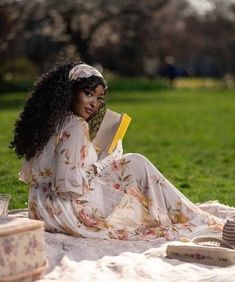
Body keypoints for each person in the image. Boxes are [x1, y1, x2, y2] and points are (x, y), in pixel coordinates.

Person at [10, 60, 222, 240]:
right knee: (136, 163)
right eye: (88, 93)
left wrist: (97, 156)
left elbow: (48, 171)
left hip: (39, 209)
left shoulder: (48, 122)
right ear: (70, 92)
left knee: (130, 164)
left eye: (99, 98)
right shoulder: (75, 125)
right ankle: (195, 218)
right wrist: (106, 160)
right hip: (66, 212)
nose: (94, 103)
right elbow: (67, 186)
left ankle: (184, 212)